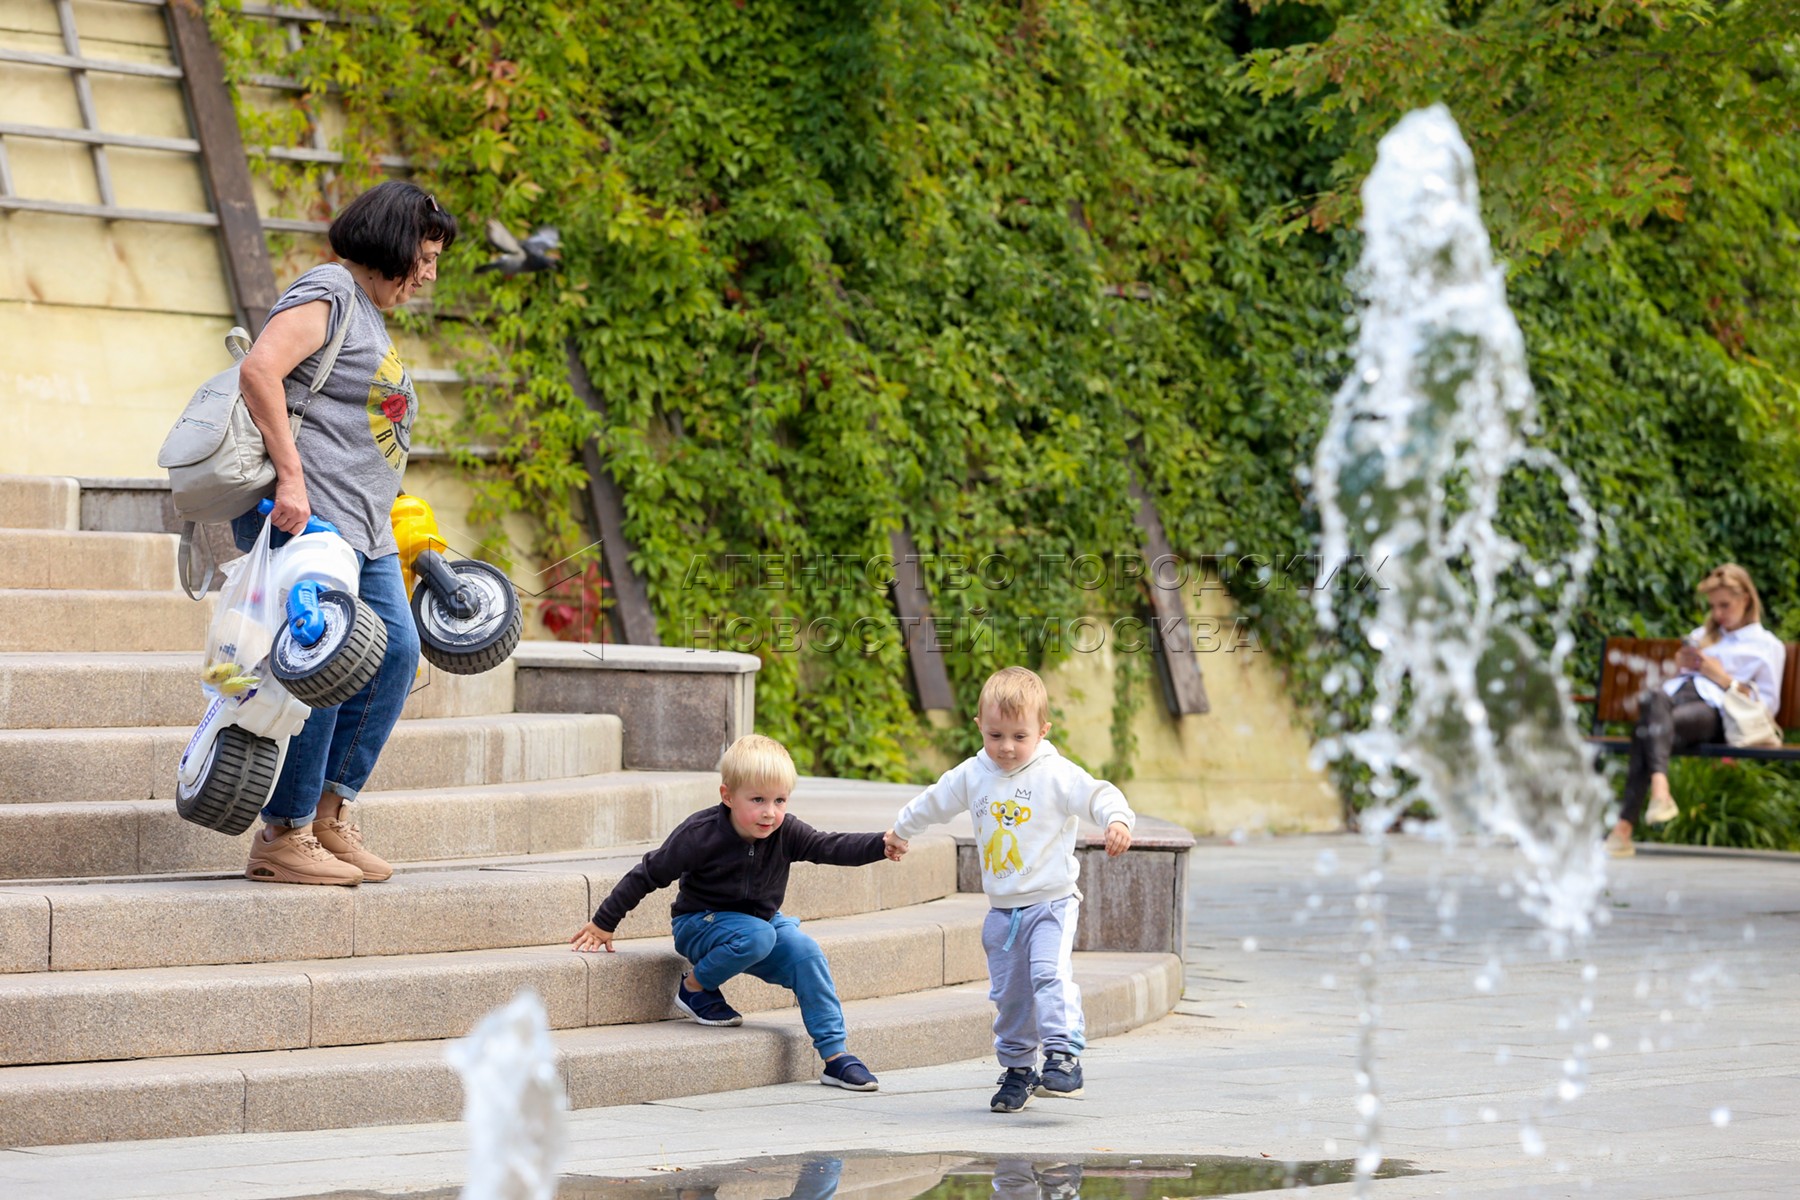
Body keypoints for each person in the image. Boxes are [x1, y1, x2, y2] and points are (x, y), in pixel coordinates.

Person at [232, 180, 457, 885]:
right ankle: (284, 832)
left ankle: (330, 815)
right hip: (314, 518)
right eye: (422, 257)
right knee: (335, 660)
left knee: (395, 653)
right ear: (390, 243)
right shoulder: (328, 291)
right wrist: (292, 481)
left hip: (367, 528)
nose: (426, 274)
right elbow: (260, 370)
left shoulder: (367, 311)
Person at [570, 734, 898, 1092]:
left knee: (806, 953)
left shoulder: (785, 832)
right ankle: (694, 988)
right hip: (699, 925)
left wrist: (881, 844)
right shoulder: (700, 834)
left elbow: (830, 846)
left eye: (779, 800)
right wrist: (605, 921)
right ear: (727, 796)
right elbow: (648, 873)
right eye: (757, 800)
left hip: (758, 928)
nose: (770, 812)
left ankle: (836, 1057)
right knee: (760, 935)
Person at [885, 666, 1136, 1113]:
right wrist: (902, 829)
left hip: (1052, 903)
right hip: (1002, 911)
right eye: (995, 734)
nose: (1006, 747)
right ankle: (1019, 1069)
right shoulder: (972, 774)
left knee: (1048, 974)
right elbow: (934, 800)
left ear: (1042, 731)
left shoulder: (1056, 773)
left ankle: (1063, 1054)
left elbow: (1099, 794)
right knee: (1009, 993)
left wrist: (1117, 820)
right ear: (979, 725)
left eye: (1019, 737)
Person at [1607, 563, 1787, 858]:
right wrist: (1677, 668)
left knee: (1647, 730)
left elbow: (1767, 707)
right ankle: (1659, 790)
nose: (1718, 614)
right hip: (1673, 703)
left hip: (1715, 713)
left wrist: (1722, 677)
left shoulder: (1767, 646)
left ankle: (1625, 827)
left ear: (1746, 600)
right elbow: (1667, 689)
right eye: (1713, 606)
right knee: (1653, 705)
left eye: (1725, 605)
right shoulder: (1702, 635)